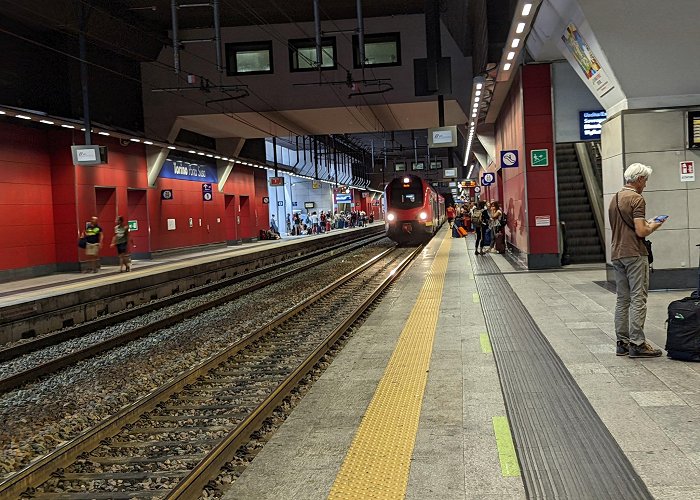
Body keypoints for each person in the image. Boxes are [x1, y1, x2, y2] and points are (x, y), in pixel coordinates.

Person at [608, 163, 665, 358]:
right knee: (638, 298)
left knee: (622, 299)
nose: (646, 184)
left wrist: (646, 224)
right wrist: (655, 225)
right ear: (639, 179)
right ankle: (638, 343)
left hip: (617, 253)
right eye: (645, 180)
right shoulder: (636, 199)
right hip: (634, 253)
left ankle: (622, 342)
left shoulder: (615, 198)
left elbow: (625, 228)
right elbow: (641, 231)